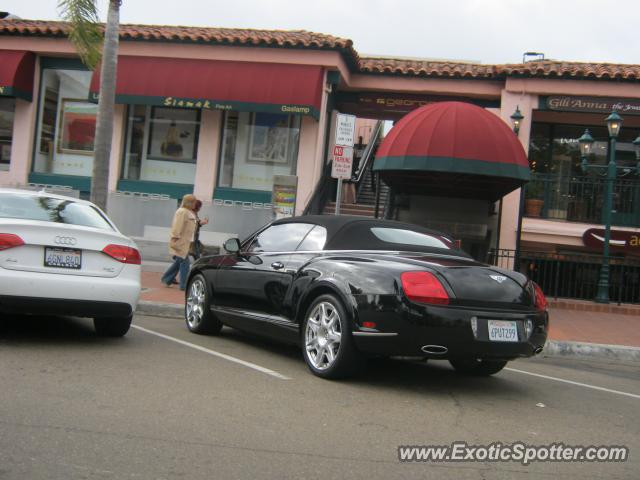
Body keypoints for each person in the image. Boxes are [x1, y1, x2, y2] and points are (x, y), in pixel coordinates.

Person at [161, 194, 198, 290]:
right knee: (185, 263)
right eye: (194, 202)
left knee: (179, 262)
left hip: (185, 242)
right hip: (180, 242)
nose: (195, 204)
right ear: (189, 202)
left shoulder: (188, 212)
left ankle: (166, 279)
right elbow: (177, 226)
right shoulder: (182, 212)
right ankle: (184, 285)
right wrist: (174, 239)